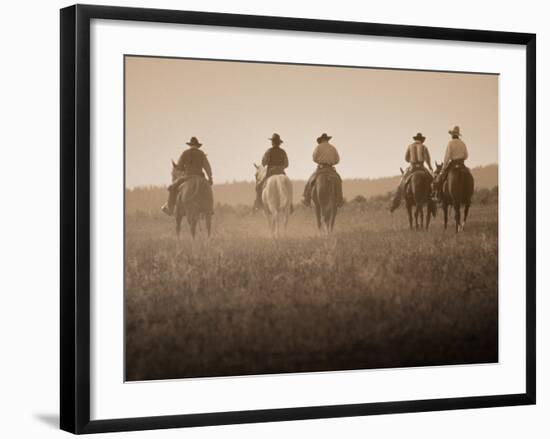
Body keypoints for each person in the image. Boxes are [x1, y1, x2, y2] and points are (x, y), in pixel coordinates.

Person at [161, 136, 213, 216]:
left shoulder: (185, 153)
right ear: (197, 146)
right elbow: (207, 167)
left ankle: (169, 208)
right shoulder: (201, 154)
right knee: (209, 189)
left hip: (187, 177)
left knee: (172, 188)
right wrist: (210, 178)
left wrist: (186, 168)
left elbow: (179, 167)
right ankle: (210, 208)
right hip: (200, 177)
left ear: (190, 145)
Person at [390, 132, 433, 212]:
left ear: (415, 139)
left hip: (412, 167)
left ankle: (397, 199)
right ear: (422, 140)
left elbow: (406, 158)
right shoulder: (424, 147)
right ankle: (433, 196)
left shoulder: (410, 146)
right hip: (421, 167)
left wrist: (411, 159)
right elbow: (427, 159)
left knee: (401, 182)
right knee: (432, 180)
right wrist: (430, 167)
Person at [302, 133, 343, 207]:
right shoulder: (333, 148)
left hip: (321, 168)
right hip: (331, 169)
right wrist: (332, 162)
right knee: (339, 180)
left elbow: (314, 158)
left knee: (310, 180)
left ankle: (307, 199)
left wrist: (319, 161)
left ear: (321, 140)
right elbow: (337, 160)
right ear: (327, 139)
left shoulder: (318, 147)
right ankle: (340, 200)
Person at [254, 133, 289, 209]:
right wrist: (280, 167)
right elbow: (286, 164)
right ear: (279, 143)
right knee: (287, 187)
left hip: (270, 173)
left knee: (259, 186)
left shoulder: (269, 151)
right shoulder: (283, 152)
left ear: (272, 142)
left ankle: (258, 203)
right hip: (281, 172)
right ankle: (290, 205)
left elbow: (263, 163)